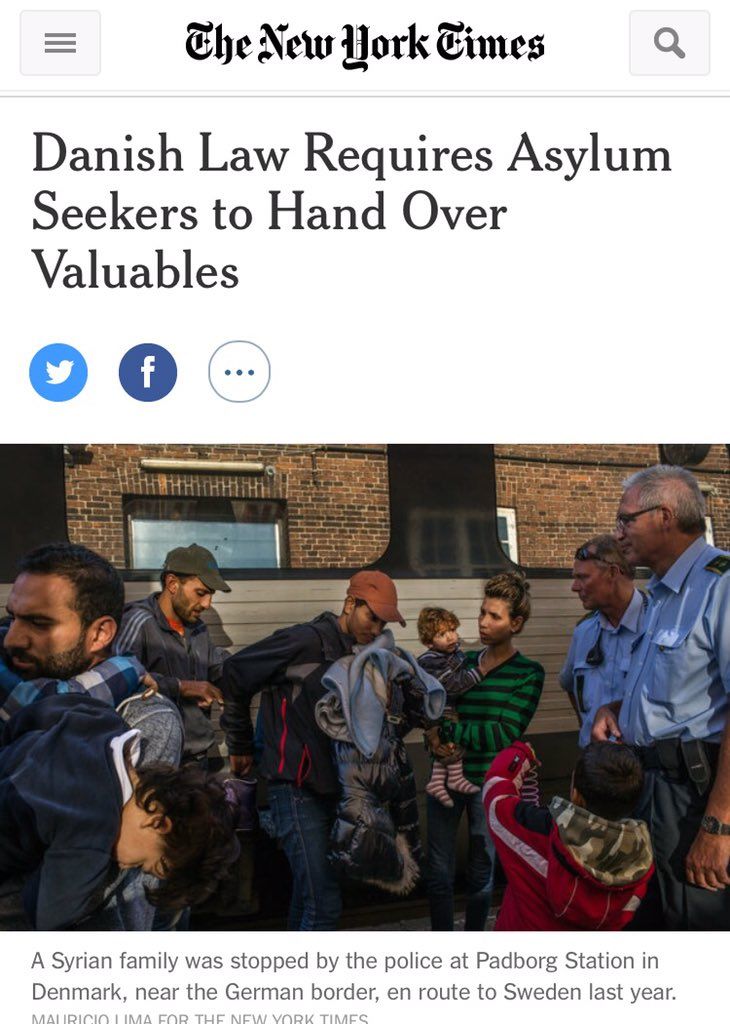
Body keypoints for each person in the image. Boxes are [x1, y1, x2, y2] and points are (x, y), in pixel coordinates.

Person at [221, 569, 406, 930]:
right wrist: (240, 743)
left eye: (383, 622)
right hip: (295, 788)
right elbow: (235, 672)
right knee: (324, 903)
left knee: (308, 897)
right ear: (350, 603)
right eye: (372, 617)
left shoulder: (365, 654)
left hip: (335, 790)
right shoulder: (303, 640)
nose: (376, 628)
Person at [592, 464, 730, 929]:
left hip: (693, 799)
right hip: (648, 791)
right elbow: (674, 690)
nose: (618, 532)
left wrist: (719, 825)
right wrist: (618, 709)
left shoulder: (721, 584)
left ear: (665, 516)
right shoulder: (661, 594)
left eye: (625, 519)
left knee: (695, 925)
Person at [0, 692, 238, 930]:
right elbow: (43, 914)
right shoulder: (93, 839)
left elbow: (30, 717)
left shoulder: (105, 722)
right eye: (143, 864)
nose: (124, 868)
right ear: (158, 822)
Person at [425, 571, 545, 931]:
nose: (483, 622)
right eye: (482, 613)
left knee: (481, 873)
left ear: (515, 623)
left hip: (488, 785)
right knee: (438, 872)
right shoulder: (460, 662)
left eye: (494, 616)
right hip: (446, 779)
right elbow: (432, 706)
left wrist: (447, 729)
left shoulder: (528, 673)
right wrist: (431, 733)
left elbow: (503, 733)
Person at [483, 739, 653, 930]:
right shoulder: (641, 858)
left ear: (576, 795)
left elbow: (495, 793)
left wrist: (519, 753)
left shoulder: (537, 831)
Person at [114, 543, 230, 767]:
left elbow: (217, 667)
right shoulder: (138, 621)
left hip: (198, 759)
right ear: (172, 584)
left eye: (211, 595)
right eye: (201, 593)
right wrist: (182, 687)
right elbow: (118, 681)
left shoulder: (199, 629)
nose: (207, 604)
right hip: (154, 762)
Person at [559, 535, 646, 747]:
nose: (574, 587)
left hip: (641, 760)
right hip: (595, 759)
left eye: (583, 577)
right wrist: (587, 729)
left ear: (612, 573)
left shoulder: (657, 624)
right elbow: (569, 685)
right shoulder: (584, 632)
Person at [416, 607, 482, 806]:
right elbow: (453, 686)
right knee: (450, 742)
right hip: (439, 710)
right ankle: (455, 778)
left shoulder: (450, 653)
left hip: (443, 708)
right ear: (429, 642)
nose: (451, 636)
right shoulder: (431, 661)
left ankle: (437, 782)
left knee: (445, 744)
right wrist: (479, 672)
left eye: (452, 630)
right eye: (442, 634)